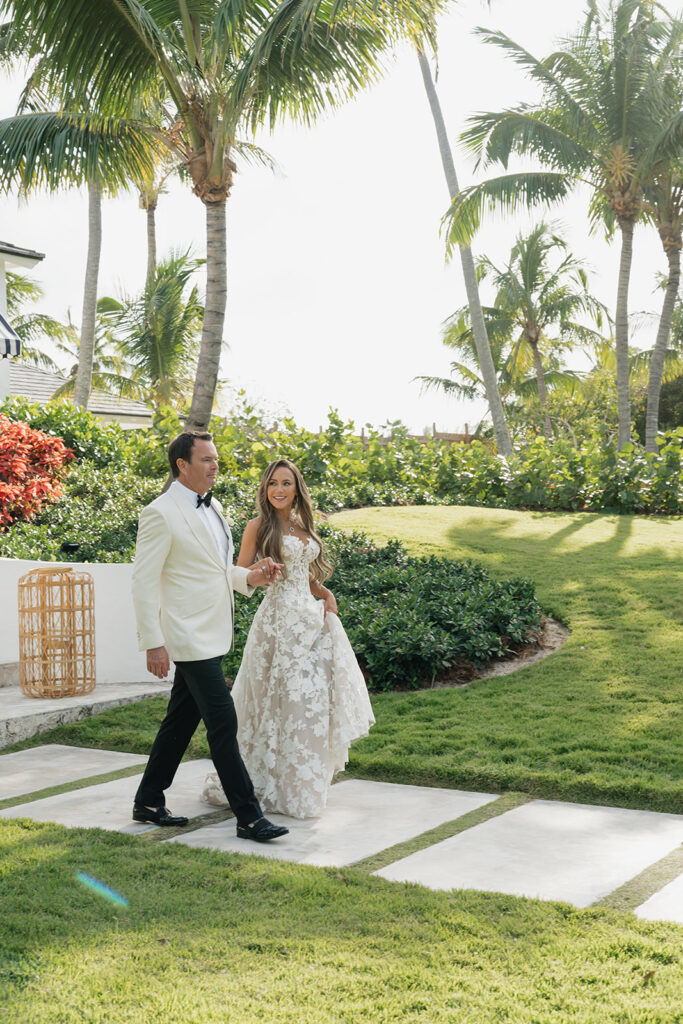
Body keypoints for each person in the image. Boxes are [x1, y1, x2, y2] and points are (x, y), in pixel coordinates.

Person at [131, 431, 288, 843]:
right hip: (185, 636)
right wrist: (153, 641)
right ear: (182, 465)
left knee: (180, 721)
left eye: (216, 459)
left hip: (212, 632)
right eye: (206, 460)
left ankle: (148, 800)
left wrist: (252, 576)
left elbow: (217, 571)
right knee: (223, 721)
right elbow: (143, 583)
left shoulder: (214, 507)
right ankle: (249, 817)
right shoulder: (159, 514)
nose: (215, 465)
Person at [202, 458, 375, 819]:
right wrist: (261, 570)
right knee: (274, 700)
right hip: (277, 623)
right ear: (265, 490)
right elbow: (239, 571)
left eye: (286, 483)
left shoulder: (301, 526)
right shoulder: (257, 526)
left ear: (297, 489)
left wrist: (323, 592)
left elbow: (304, 574)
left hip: (309, 620)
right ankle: (262, 782)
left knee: (307, 702)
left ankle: (299, 784)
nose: (278, 490)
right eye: (272, 484)